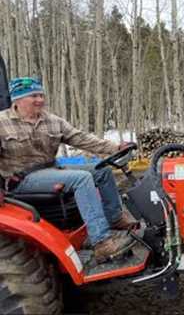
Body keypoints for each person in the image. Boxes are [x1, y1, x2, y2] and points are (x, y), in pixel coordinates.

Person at [0, 77, 137, 263]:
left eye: (41, 95)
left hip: (51, 169)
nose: (40, 100)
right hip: (22, 179)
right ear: (17, 99)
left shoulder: (52, 121)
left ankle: (114, 218)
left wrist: (115, 148)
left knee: (102, 170)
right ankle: (102, 243)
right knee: (81, 178)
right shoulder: (3, 123)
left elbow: (81, 138)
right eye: (34, 96)